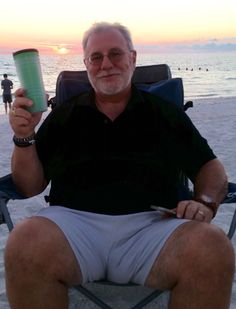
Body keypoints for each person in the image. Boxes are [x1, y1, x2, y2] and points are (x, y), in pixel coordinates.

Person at [5, 22, 234, 309]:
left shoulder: (163, 114)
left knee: (213, 247)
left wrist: (205, 202)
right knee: (23, 242)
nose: (106, 64)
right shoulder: (65, 115)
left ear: (133, 58)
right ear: (86, 64)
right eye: (96, 57)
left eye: (116, 54)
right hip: (74, 227)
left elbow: (210, 168)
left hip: (154, 228)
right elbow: (29, 186)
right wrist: (25, 137)